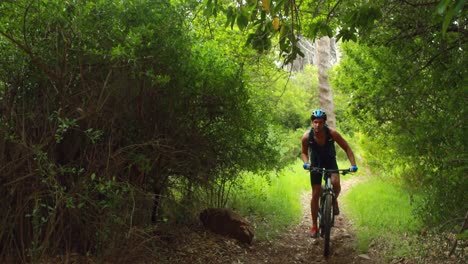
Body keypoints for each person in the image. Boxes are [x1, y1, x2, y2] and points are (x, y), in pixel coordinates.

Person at [301, 109, 358, 238]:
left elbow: (347, 148)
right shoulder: (307, 137)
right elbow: (304, 152)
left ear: (324, 123)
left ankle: (333, 200)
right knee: (315, 194)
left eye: (320, 122)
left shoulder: (332, 134)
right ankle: (314, 226)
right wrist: (306, 163)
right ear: (312, 122)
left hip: (330, 161)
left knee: (335, 183)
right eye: (315, 122)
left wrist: (353, 165)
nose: (317, 125)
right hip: (315, 164)